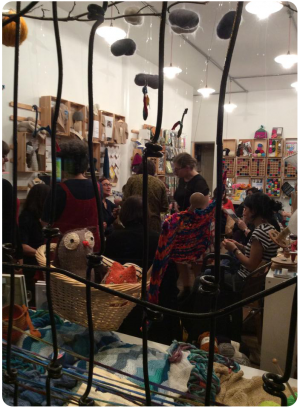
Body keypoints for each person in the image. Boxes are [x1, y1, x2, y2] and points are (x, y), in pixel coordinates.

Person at [42, 140, 101, 251]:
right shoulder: (98, 187)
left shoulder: (59, 189)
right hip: (90, 246)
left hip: (64, 248)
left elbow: (45, 223)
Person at [223, 193, 280, 291]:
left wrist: (234, 249)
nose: (243, 212)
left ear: (253, 211)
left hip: (244, 280)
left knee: (206, 276)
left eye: (245, 209)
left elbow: (251, 265)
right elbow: (257, 255)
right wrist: (240, 246)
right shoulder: (269, 227)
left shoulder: (259, 232)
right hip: (249, 279)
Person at [104, 196, 159, 268]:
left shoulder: (113, 237)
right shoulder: (157, 238)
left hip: (120, 278)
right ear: (147, 214)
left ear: (124, 213)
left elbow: (106, 266)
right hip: (148, 278)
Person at [19, 184, 51, 305]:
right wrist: (42, 255)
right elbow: (22, 245)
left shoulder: (41, 217)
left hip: (40, 264)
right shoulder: (27, 217)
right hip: (31, 267)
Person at [123, 160, 169, 233]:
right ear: (154, 170)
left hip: (133, 222)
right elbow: (164, 207)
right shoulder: (160, 183)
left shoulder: (132, 180)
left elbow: (125, 201)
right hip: (153, 222)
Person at [2, 141, 23, 266]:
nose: (6, 159)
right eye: (3, 155)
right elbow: (9, 224)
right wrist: (18, 253)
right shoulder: (4, 186)